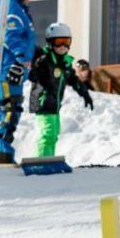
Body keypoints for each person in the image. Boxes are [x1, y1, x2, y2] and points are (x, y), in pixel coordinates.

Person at [0, 0, 39, 166]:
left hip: (10, 67)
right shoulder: (12, 8)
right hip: (10, 67)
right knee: (11, 106)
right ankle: (2, 153)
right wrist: (19, 60)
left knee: (4, 108)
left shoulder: (14, 6)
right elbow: (9, 36)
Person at [28, 23, 94, 157]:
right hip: (43, 102)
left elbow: (74, 80)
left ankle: (49, 159)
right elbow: (34, 72)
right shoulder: (44, 60)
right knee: (47, 133)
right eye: (59, 42)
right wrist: (34, 72)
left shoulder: (64, 63)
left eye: (66, 42)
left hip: (55, 105)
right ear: (51, 42)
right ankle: (42, 160)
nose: (63, 46)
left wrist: (85, 93)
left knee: (54, 134)